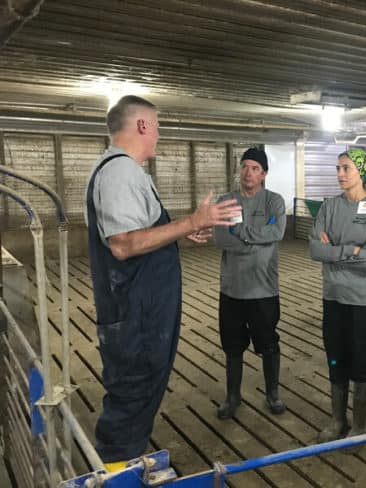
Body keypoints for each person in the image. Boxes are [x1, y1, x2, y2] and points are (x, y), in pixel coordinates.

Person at [85, 95, 241, 471]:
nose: (158, 134)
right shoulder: (120, 171)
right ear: (141, 125)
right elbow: (123, 244)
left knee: (139, 396)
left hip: (141, 314)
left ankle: (128, 464)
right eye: (156, 126)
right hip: (135, 318)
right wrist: (190, 222)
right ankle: (117, 472)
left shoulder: (126, 171)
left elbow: (138, 234)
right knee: (131, 397)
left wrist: (178, 233)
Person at [309, 148, 366, 449]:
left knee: (362, 360)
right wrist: (351, 250)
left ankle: (359, 425)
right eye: (338, 168)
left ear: (362, 171)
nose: (340, 174)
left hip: (363, 300)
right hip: (334, 297)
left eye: (346, 168)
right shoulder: (330, 207)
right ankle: (337, 420)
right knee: (335, 357)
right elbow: (315, 248)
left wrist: (336, 253)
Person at [213, 148, 287, 419]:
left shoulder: (274, 202)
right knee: (232, 346)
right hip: (232, 289)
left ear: (264, 174)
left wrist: (241, 233)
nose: (248, 172)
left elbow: (276, 232)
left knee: (268, 343)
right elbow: (221, 238)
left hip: (264, 289)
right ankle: (233, 397)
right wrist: (256, 240)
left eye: (255, 168)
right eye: (245, 166)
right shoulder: (226, 201)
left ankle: (273, 393)